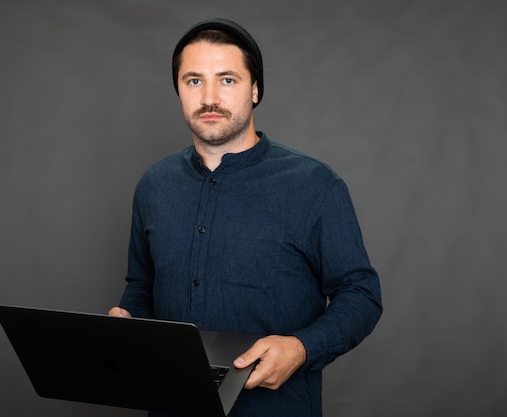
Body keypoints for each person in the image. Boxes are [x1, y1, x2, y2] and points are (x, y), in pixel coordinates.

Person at [109, 18, 382, 417]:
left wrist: (302, 348)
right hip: (171, 406)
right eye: (194, 81)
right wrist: (128, 317)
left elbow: (361, 293)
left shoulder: (314, 185)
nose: (210, 97)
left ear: (254, 90)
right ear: (179, 91)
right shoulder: (154, 184)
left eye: (228, 80)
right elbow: (142, 282)